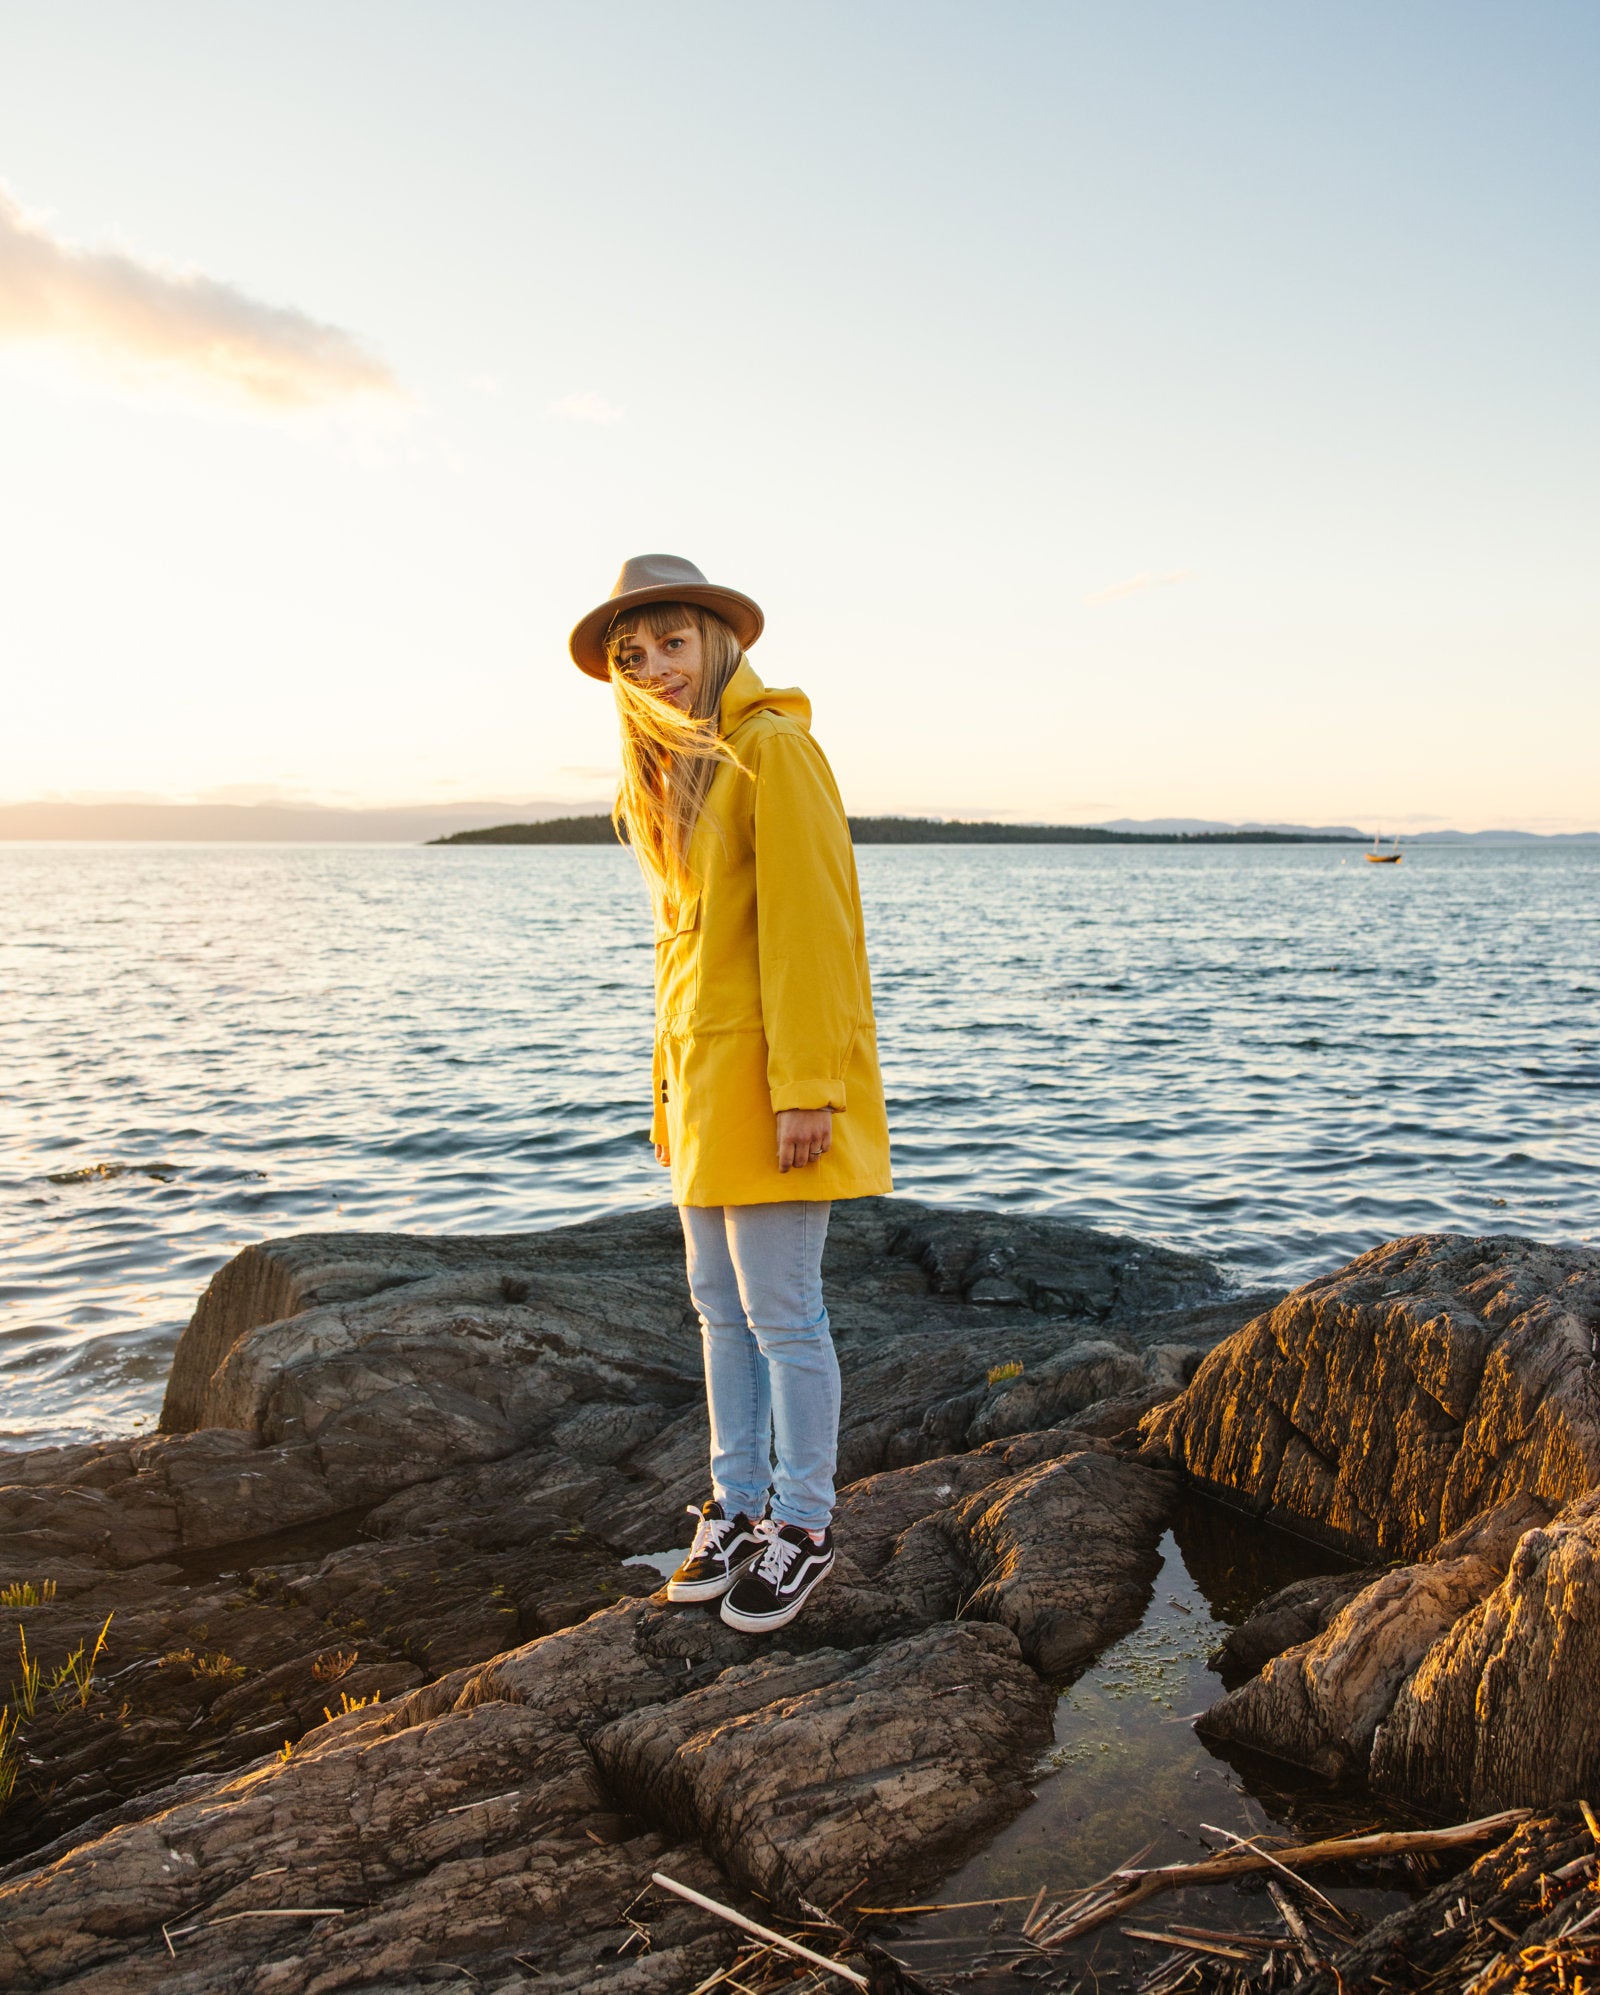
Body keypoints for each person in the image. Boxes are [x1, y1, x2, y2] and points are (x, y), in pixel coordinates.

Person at [568, 553, 893, 1632]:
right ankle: (737, 1507)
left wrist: (808, 1087)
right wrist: (665, 1099)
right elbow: (685, 968)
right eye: (633, 655)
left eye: (672, 642)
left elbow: (812, 933)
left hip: (771, 1085)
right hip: (706, 1092)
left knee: (784, 1314)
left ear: (717, 640)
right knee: (719, 1309)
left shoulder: (773, 750)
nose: (655, 667)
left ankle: (804, 1525)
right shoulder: (677, 772)